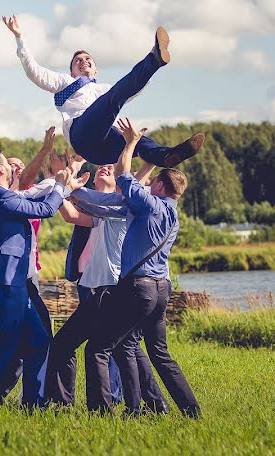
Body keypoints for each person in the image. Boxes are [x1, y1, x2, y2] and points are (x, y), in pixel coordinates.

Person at [82, 118, 201, 417]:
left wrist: (130, 143)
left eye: (153, 181)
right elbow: (120, 197)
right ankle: (190, 410)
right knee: (158, 354)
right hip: (162, 289)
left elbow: (124, 174)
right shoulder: (173, 214)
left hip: (139, 288)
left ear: (159, 185)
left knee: (100, 346)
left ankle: (121, 411)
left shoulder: (148, 204)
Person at [44, 162, 168, 413]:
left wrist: (150, 159)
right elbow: (71, 212)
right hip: (95, 287)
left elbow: (129, 182)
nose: (105, 167)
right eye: (102, 167)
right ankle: (154, 404)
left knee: (73, 345)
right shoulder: (100, 211)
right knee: (125, 347)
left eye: (111, 169)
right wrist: (58, 182)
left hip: (108, 288)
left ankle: (86, 406)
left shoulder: (121, 206)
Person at [3, 15, 205, 167]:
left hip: (106, 152)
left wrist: (144, 77)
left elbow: (131, 89)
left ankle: (166, 156)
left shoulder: (104, 88)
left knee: (136, 139)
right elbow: (34, 72)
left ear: (96, 68)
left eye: (87, 59)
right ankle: (154, 59)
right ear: (71, 71)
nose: (83, 62)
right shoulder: (65, 81)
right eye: (77, 61)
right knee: (113, 97)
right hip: (83, 136)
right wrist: (20, 37)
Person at [0, 148, 86, 407]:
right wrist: (58, 184)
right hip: (7, 283)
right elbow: (45, 209)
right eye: (7, 164)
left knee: (39, 339)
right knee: (6, 344)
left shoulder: (1, 197)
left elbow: (38, 203)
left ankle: (34, 402)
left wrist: (64, 187)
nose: (12, 168)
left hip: (17, 283)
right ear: (1, 170)